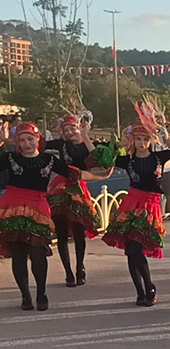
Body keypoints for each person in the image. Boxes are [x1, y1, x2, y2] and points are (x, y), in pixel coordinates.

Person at [0, 122, 108, 311]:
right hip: (13, 206)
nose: (27, 143)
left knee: (38, 252)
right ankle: (25, 296)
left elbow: (75, 174)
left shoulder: (48, 161)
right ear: (17, 142)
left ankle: (41, 293)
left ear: (38, 140)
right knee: (18, 254)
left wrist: (102, 176)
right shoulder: (10, 158)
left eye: (30, 139)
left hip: (38, 207)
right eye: (22, 140)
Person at [102, 123, 170, 307]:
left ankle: (149, 286)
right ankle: (141, 290)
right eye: (138, 138)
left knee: (137, 248)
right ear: (133, 140)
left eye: (146, 139)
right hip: (131, 204)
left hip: (150, 206)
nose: (142, 142)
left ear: (151, 141)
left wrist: (169, 136)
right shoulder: (127, 160)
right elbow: (101, 157)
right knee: (131, 250)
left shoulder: (159, 157)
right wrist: (119, 143)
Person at [45, 114, 101, 287]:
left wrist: (85, 135)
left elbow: (100, 158)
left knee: (79, 232)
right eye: (66, 130)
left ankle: (79, 268)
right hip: (60, 188)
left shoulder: (87, 144)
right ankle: (68, 271)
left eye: (72, 129)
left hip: (79, 188)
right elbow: (38, 145)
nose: (69, 132)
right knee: (61, 233)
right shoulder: (61, 144)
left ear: (79, 127)